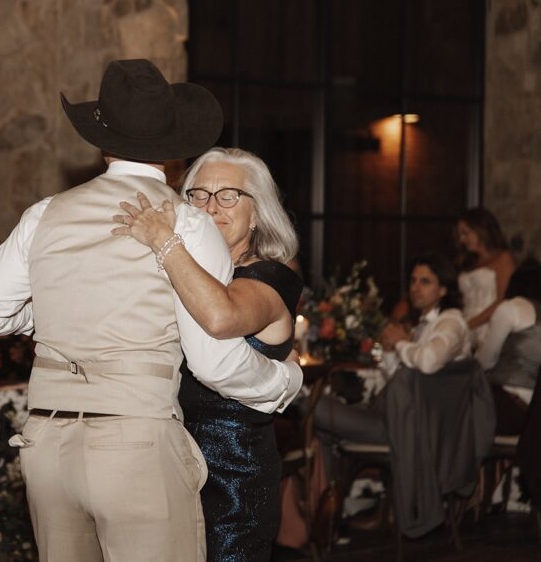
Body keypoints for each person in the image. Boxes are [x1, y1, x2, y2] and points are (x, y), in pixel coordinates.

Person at [0, 59, 301, 561]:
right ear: (172, 148)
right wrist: (284, 384)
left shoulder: (45, 213)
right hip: (133, 444)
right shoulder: (186, 222)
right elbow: (214, 362)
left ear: (103, 142)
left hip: (45, 445)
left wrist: (48, 316)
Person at [112, 147, 304, 561]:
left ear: (257, 214)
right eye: (198, 195)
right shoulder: (178, 270)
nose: (210, 207)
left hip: (234, 477)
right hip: (163, 462)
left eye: (228, 195)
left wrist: (165, 240)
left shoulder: (273, 277)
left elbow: (221, 315)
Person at [309, 255, 490, 538]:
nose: (415, 288)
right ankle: (329, 515)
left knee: (310, 405)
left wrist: (402, 342)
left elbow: (429, 361)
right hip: (398, 419)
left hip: (408, 428)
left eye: (425, 282)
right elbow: (401, 378)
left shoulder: (451, 323)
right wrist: (391, 350)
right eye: (414, 281)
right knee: (323, 428)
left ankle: (327, 518)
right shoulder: (421, 326)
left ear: (443, 289)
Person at [456, 208, 538, 375]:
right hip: (466, 319)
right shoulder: (467, 261)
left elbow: (503, 298)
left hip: (489, 322)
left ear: (481, 230)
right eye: (460, 234)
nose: (462, 239)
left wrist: (472, 323)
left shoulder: (503, 258)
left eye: (466, 233)